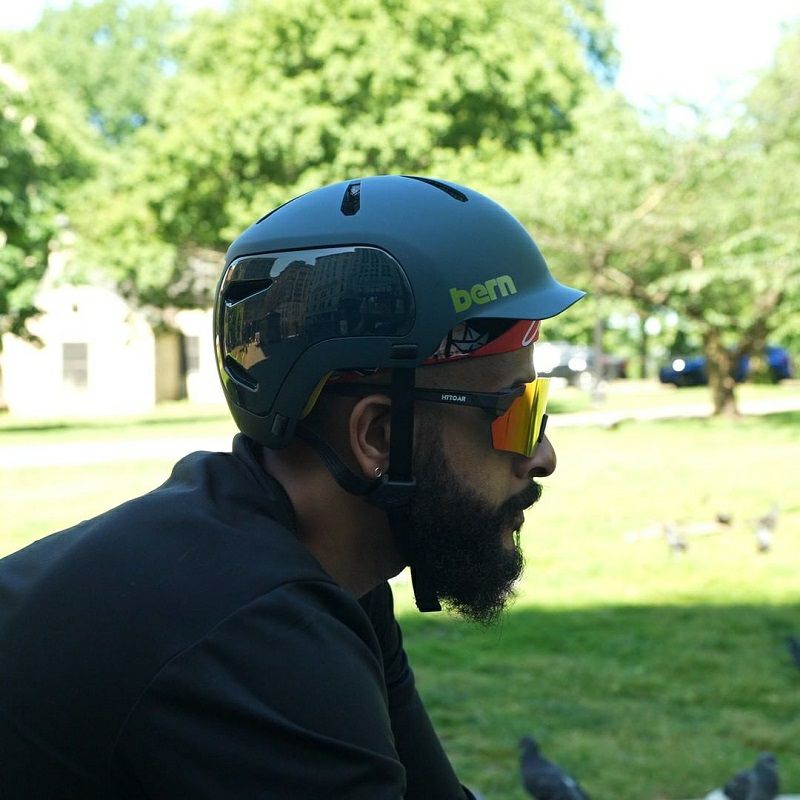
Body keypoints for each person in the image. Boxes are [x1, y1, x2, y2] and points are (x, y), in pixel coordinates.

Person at [0, 175, 584, 798]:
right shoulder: (258, 637)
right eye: (517, 414)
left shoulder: (322, 576)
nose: (543, 457)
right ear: (379, 437)